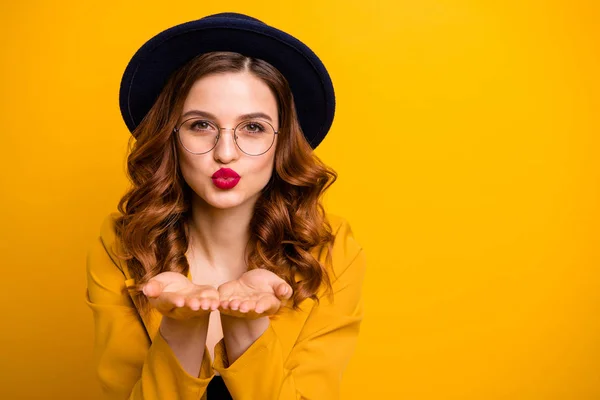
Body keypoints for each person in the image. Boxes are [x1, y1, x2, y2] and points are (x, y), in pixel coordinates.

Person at [85, 12, 367, 400]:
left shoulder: (331, 252)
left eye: (253, 127)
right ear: (172, 136)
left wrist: (246, 328)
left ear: (281, 142)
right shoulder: (124, 244)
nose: (225, 153)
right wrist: (182, 328)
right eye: (201, 124)